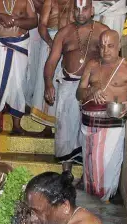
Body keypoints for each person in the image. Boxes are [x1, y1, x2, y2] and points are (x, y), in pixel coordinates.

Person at [76, 30, 127, 202]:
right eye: (102, 46)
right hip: (88, 123)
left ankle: (104, 199)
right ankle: (92, 200)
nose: (105, 50)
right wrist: (92, 90)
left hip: (111, 125)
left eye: (110, 46)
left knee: (106, 166)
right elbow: (79, 93)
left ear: (119, 46)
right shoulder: (92, 65)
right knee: (90, 165)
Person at [44, 0, 108, 173]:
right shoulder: (64, 33)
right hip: (68, 86)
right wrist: (48, 83)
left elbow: (112, 63)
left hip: (93, 90)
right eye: (77, 9)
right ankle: (67, 173)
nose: (81, 13)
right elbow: (51, 61)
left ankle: (88, 175)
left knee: (90, 132)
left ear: (92, 10)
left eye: (85, 9)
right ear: (72, 12)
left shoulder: (104, 32)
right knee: (65, 129)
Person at [0, 0, 38, 134]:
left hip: (20, 44)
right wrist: (0, 17)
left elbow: (34, 21)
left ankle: (17, 125)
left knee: (19, 84)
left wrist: (15, 21)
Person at [29, 0, 73, 137]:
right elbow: (42, 25)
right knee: (46, 82)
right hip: (49, 41)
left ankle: (62, 127)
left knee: (64, 85)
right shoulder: (50, 1)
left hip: (68, 43)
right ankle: (46, 127)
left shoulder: (76, 2)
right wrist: (50, 42)